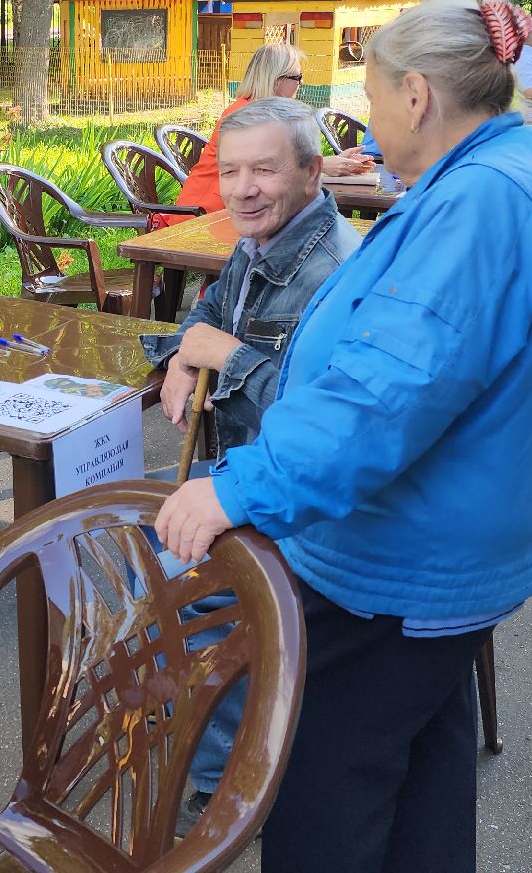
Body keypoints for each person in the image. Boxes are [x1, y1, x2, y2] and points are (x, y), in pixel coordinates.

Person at [153, 0, 532, 872]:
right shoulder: (502, 172)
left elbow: (382, 395)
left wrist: (238, 486)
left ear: (416, 96)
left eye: (370, 96)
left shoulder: (476, 200)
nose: (366, 118)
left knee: (321, 787)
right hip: (442, 562)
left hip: (401, 567)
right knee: (422, 778)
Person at [140, 96, 365, 833]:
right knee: (127, 541)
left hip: (313, 503)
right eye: (230, 171)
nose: (242, 189)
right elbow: (208, 310)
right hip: (250, 472)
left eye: (264, 169)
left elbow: (326, 431)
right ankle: (195, 722)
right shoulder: (263, 242)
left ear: (311, 171)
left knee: (176, 568)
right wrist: (182, 353)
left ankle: (228, 786)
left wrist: (225, 357)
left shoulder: (331, 269)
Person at [165, 43, 370, 226]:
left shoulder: (264, 113)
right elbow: (266, 166)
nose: (301, 83)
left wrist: (332, 164)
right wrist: (323, 165)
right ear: (276, 80)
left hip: (239, 208)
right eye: (297, 77)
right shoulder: (243, 115)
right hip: (205, 216)